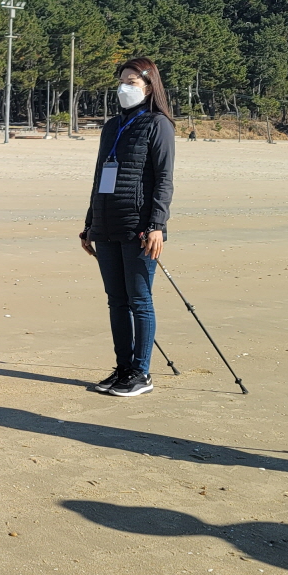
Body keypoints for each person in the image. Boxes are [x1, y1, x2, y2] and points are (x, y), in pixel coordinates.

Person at [78, 57, 175, 399]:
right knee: (116, 301)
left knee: (139, 300)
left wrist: (156, 225)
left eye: (133, 82)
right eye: (122, 81)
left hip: (139, 227)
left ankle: (141, 371)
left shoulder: (157, 124)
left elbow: (164, 179)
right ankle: (122, 368)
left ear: (149, 88)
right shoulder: (110, 127)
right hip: (106, 224)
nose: (125, 87)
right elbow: (98, 178)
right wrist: (90, 223)